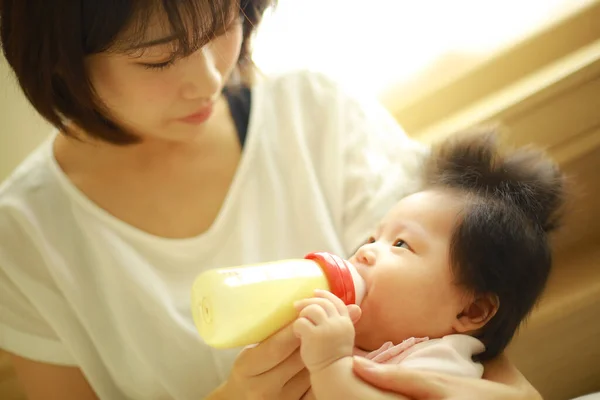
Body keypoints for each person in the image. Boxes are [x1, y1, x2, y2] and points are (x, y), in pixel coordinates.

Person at [0, 1, 542, 399]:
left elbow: (477, 348)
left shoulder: (317, 116)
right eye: (159, 59)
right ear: (60, 62)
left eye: (221, 25)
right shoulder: (24, 238)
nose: (209, 78)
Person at [293, 131, 566, 399]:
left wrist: (330, 364)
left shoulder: (439, 360)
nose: (365, 250)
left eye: (400, 244)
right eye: (373, 237)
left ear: (470, 311)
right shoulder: (343, 340)